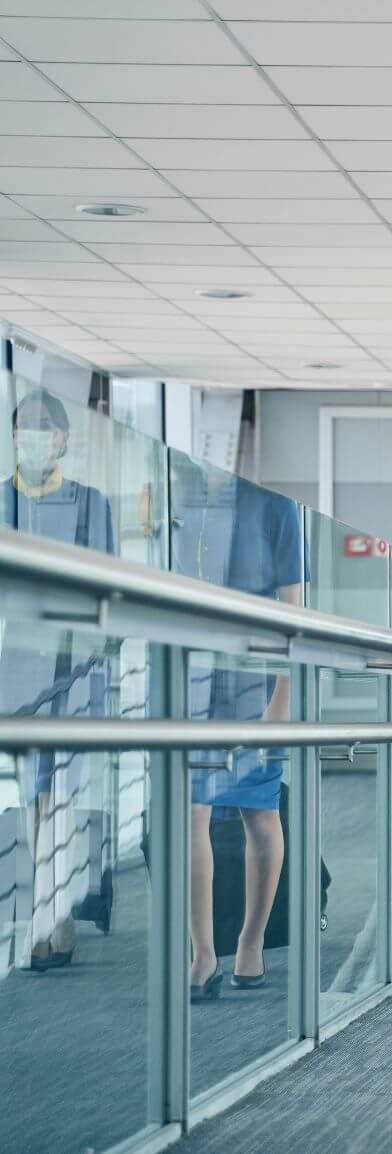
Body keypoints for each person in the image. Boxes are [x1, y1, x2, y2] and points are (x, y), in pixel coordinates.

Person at [171, 456, 306, 1001]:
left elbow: (295, 615)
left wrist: (282, 699)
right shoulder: (176, 502)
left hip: (253, 680)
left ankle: (250, 942)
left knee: (259, 811)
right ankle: (202, 954)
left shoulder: (274, 506)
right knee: (192, 811)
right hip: (192, 679)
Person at [1, 389, 116, 974]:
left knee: (61, 798)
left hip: (72, 669)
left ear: (65, 441)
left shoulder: (90, 505)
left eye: (46, 430)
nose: (35, 439)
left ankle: (49, 923)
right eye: (25, 430)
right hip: (14, 671)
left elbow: (108, 594)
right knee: (27, 800)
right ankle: (46, 916)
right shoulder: (1, 501)